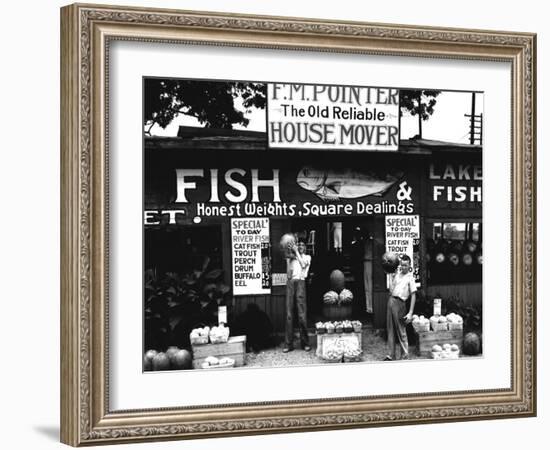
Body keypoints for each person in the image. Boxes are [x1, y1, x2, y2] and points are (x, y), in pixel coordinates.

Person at [384, 254, 417, 361]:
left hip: (400, 303)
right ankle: (391, 355)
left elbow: (413, 295)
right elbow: (391, 289)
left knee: (401, 330)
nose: (403, 267)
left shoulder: (410, 278)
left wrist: (410, 312)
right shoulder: (396, 275)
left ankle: (405, 355)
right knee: (390, 329)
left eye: (406, 265)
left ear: (409, 266)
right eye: (402, 265)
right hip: (391, 301)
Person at [284, 239, 311, 352]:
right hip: (291, 283)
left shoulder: (307, 257)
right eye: (298, 244)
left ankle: (305, 343)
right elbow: (289, 274)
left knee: (301, 315)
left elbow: (304, 265)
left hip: (300, 282)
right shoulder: (291, 258)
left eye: (302, 245)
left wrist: (296, 253)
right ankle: (288, 344)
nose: (300, 246)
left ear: (305, 248)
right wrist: (289, 260)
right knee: (289, 315)